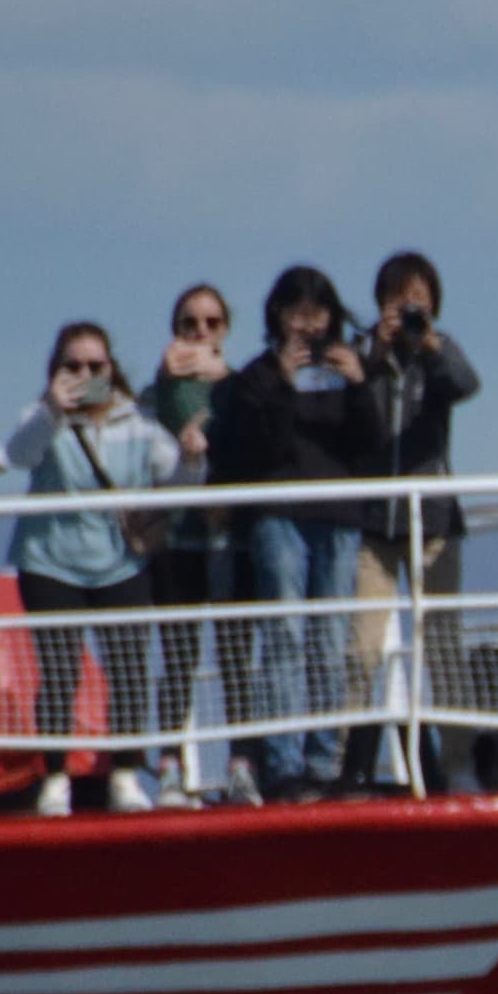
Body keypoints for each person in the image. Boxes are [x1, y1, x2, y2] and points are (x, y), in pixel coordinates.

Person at [207, 263, 385, 795]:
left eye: (318, 314)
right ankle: (284, 763)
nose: (308, 326)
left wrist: (359, 386)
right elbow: (255, 450)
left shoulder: (349, 371)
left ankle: (325, 763)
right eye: (297, 314)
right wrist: (283, 387)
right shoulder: (257, 377)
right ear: (278, 317)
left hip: (338, 517)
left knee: (330, 639)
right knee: (283, 635)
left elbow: (371, 446)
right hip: (279, 514)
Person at [2, 320, 187, 814]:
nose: (85, 375)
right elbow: (18, 455)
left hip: (121, 561)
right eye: (74, 366)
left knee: (128, 669)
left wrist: (192, 456)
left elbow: (181, 477)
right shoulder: (39, 416)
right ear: (55, 371)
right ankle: (55, 781)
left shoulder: (138, 422)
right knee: (59, 672)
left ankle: (124, 777)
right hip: (50, 560)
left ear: (112, 369)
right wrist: (52, 412)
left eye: (95, 366)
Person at [342, 249, 483, 790]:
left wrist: (430, 346)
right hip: (375, 525)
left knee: (443, 647)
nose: (408, 312)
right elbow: (347, 407)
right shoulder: (365, 355)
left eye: (418, 302)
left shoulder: (439, 354)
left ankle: (459, 763)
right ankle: (347, 764)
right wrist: (374, 353)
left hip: (434, 522)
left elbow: (467, 384)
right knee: (361, 647)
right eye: (398, 301)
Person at [136, 283, 236, 794]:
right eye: (189, 324)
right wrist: (169, 380)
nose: (200, 332)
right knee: (178, 658)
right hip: (175, 538)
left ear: (226, 329)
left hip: (226, 537)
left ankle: (243, 765)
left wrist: (226, 386)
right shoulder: (154, 395)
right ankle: (171, 765)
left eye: (211, 323)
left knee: (236, 655)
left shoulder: (242, 388)